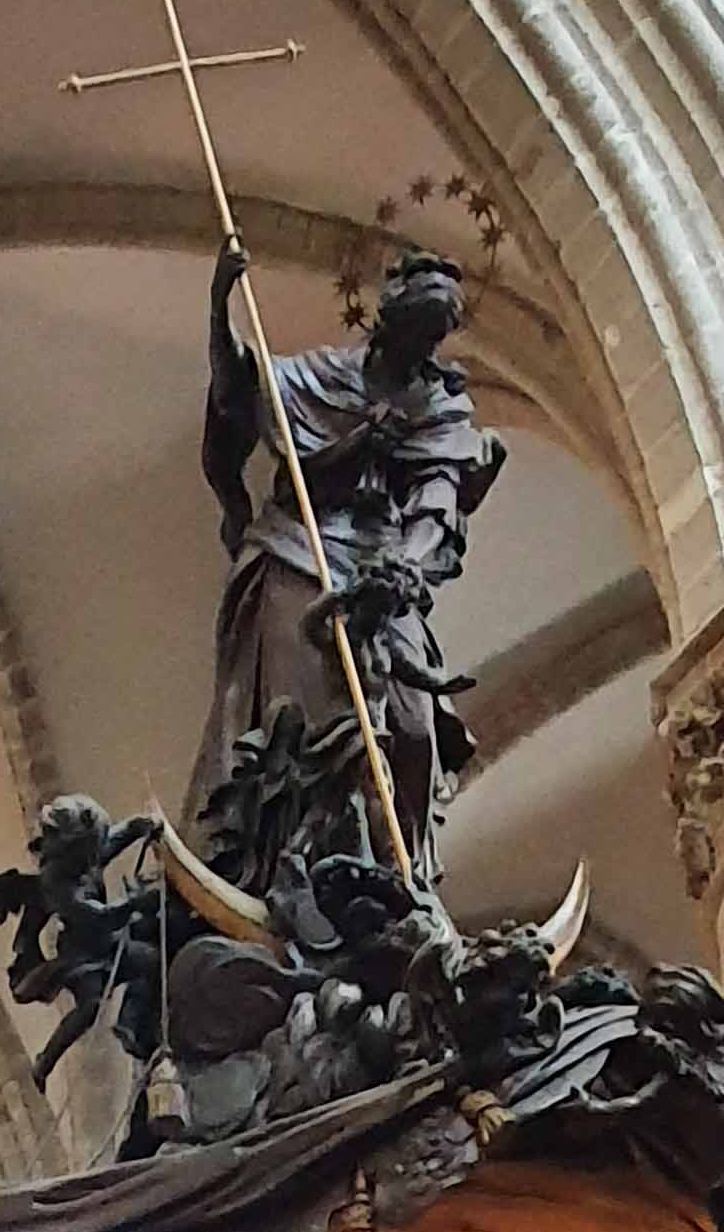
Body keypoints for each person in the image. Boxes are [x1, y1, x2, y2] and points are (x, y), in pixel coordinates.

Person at [200, 241, 503, 898]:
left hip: (385, 571)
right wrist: (220, 307)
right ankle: (294, 868)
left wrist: (405, 567)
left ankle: (403, 882)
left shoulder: (440, 407)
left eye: (434, 336)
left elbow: (437, 504)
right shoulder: (321, 376)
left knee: (413, 729)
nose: (423, 349)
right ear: (388, 315)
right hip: (297, 548)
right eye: (416, 329)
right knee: (304, 719)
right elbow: (238, 390)